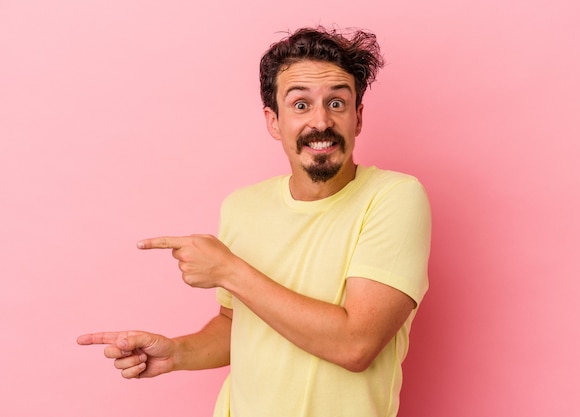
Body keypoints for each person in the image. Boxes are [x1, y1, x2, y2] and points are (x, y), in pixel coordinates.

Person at [77, 26, 431, 417]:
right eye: (300, 105)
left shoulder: (394, 198)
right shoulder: (242, 207)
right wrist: (177, 353)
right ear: (273, 121)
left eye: (337, 103)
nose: (321, 121)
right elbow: (237, 326)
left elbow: (356, 344)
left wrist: (229, 270)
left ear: (357, 117)